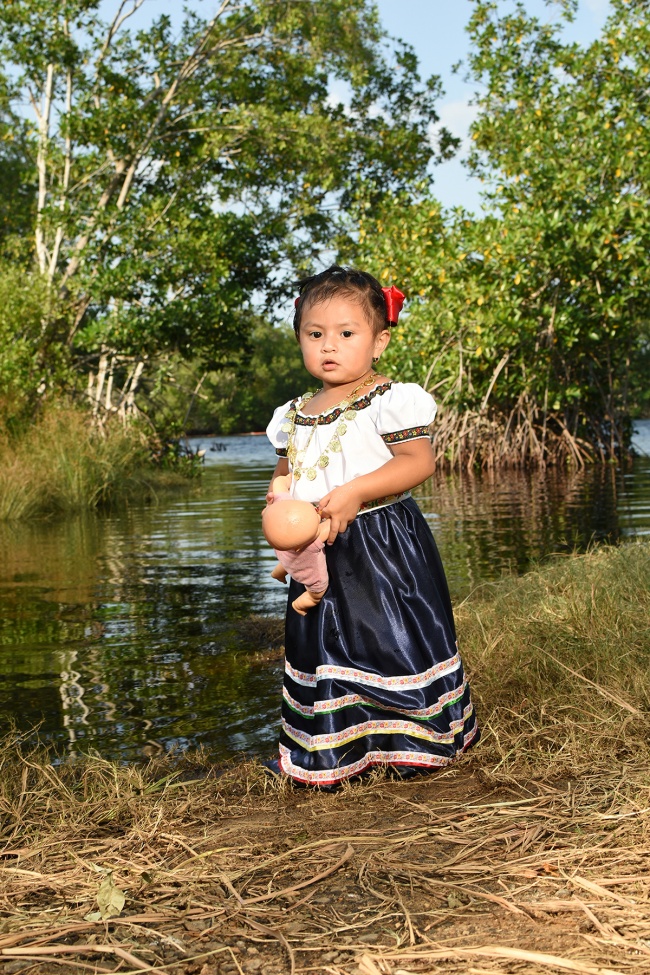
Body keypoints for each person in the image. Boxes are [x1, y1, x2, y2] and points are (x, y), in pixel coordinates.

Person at [264, 265, 479, 787]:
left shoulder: (386, 399)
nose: (329, 347)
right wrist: (277, 500)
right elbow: (288, 469)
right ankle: (335, 745)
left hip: (379, 542)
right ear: (299, 339)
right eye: (315, 335)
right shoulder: (293, 414)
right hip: (318, 545)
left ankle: (409, 740)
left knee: (388, 636)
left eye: (346, 334)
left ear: (379, 341)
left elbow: (417, 463)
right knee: (323, 639)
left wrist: (356, 491)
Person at [263, 473, 331, 616]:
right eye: (316, 514)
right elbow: (332, 524)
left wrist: (289, 477)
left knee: (287, 562)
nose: (317, 513)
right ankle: (298, 605)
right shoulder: (312, 541)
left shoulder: (284, 505)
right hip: (304, 565)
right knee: (317, 594)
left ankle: (277, 574)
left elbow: (278, 483)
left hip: (285, 555)